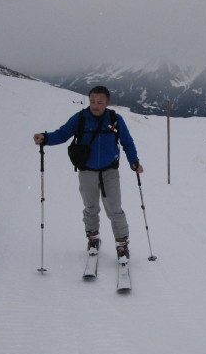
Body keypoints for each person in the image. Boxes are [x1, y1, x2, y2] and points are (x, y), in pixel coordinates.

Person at [33, 85, 143, 263]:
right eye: (92, 101)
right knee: (91, 208)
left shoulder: (115, 119)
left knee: (115, 209)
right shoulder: (80, 119)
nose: (95, 105)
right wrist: (45, 138)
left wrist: (134, 161)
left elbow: (127, 142)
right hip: (87, 170)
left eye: (100, 102)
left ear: (107, 103)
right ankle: (93, 239)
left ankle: (122, 244)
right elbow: (63, 134)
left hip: (110, 170)